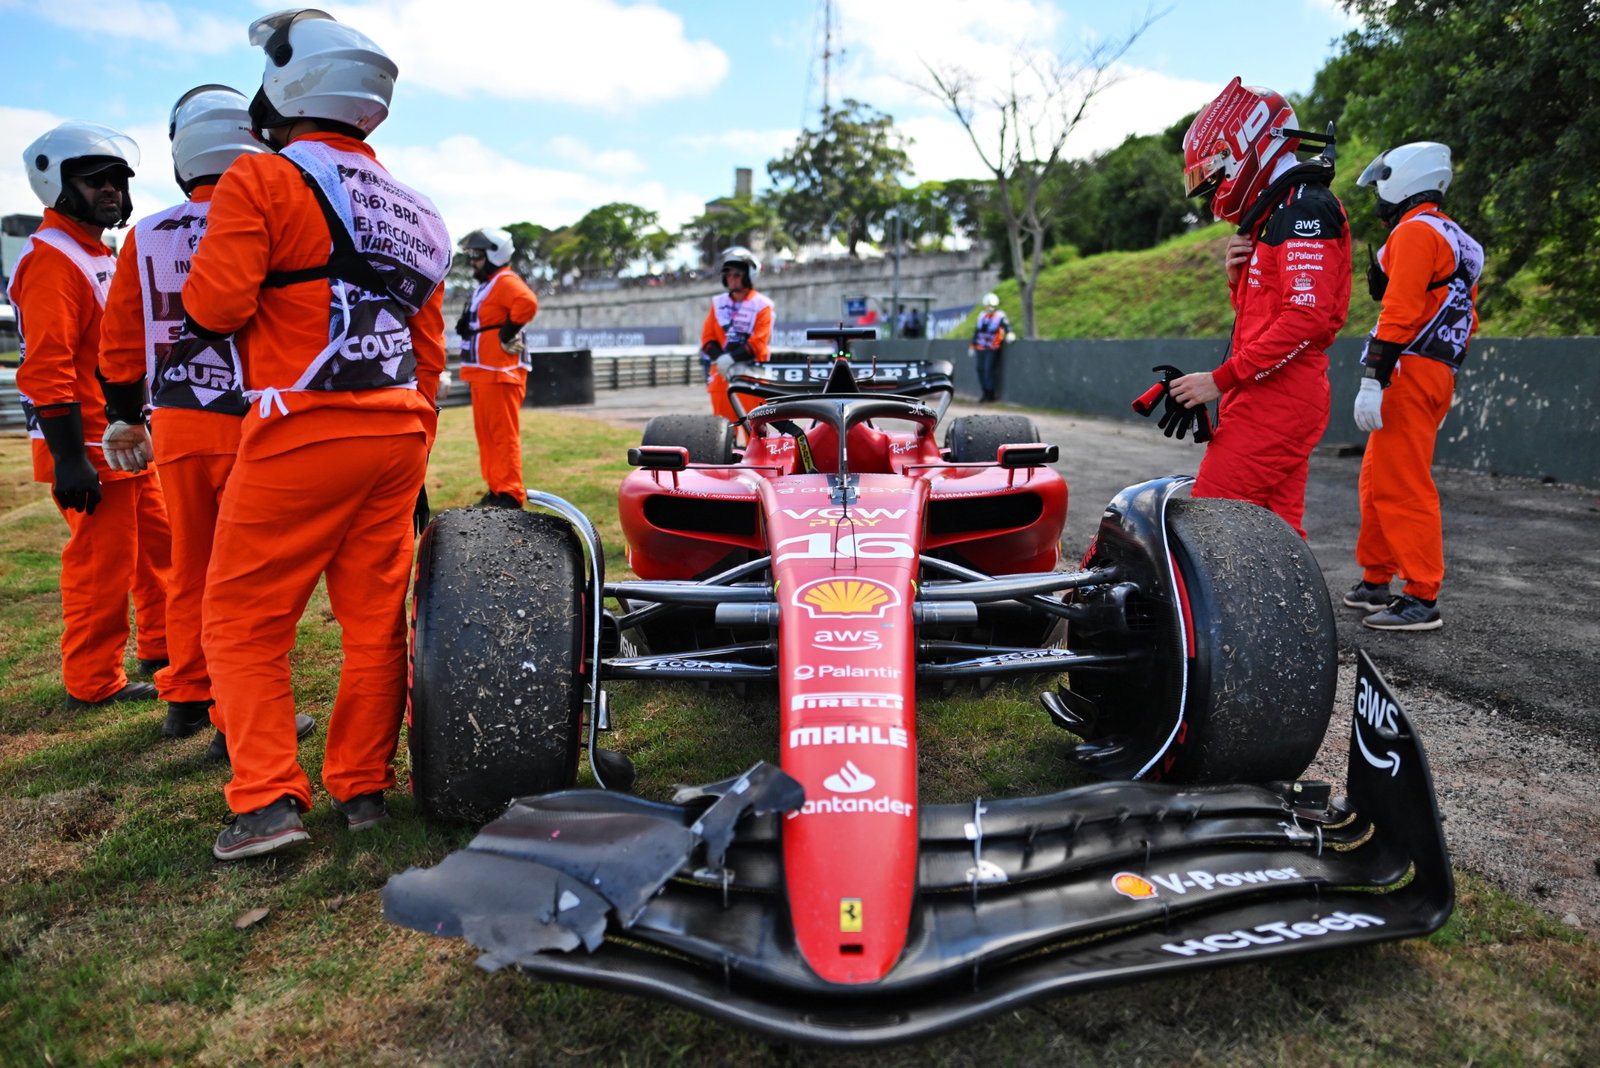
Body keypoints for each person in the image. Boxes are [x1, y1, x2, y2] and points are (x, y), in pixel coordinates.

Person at [181, 9, 451, 858]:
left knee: (242, 620)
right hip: (398, 429)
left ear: (288, 86)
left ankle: (266, 802)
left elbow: (215, 306)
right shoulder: (418, 209)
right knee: (374, 621)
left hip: (300, 425)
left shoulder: (260, 179)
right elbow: (430, 350)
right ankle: (363, 789)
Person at [97, 85, 315, 754]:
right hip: (255, 419)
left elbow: (120, 343)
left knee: (190, 564)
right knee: (252, 577)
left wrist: (124, 417)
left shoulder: (145, 233)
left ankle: (187, 693)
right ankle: (237, 713)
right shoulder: (272, 212)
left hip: (180, 421)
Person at [10, 120, 173, 710]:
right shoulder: (53, 260)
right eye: (93, 179)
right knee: (102, 566)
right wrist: (68, 457)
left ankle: (163, 646)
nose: (110, 189)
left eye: (117, 180)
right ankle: (93, 681)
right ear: (55, 185)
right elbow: (47, 364)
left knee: (161, 549)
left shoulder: (97, 252)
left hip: (125, 438)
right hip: (87, 445)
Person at [1167, 78, 1350, 538]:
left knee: (1212, 528)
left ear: (1244, 148)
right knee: (1275, 539)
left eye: (1214, 178)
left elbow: (1306, 320)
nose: (1214, 195)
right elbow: (1270, 317)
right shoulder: (1282, 209)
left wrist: (1220, 379)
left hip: (1277, 399)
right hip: (1273, 393)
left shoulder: (1304, 208)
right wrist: (1238, 280)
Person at [1343, 142, 1482, 632]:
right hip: (1434, 369)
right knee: (1377, 480)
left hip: (1409, 368)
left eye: (1381, 184)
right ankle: (1376, 579)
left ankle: (1422, 596)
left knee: (1402, 485)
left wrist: (1374, 377)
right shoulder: (1457, 238)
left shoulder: (1416, 232)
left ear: (1404, 179)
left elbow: (1399, 312)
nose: (1378, 195)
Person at [455, 226, 538, 508]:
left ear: (495, 254)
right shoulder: (488, 285)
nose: (473, 262)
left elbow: (526, 303)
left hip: (500, 372)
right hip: (483, 370)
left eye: (478, 256)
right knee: (487, 435)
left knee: (502, 435)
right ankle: (496, 487)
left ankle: (510, 494)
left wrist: (506, 333)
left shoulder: (505, 281)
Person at [700, 246, 772, 425]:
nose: (731, 278)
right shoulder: (717, 304)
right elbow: (707, 340)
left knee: (756, 429)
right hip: (722, 376)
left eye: (737, 275)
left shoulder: (762, 305)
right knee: (723, 430)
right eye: (728, 275)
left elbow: (758, 343)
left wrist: (731, 358)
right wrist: (721, 359)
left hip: (753, 378)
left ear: (749, 275)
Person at [968, 292, 1011, 402]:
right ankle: (985, 392)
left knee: (988, 369)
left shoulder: (1000, 316)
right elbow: (976, 332)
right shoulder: (981, 316)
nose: (990, 309)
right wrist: (972, 345)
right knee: (980, 369)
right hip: (980, 347)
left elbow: (1007, 327)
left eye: (992, 306)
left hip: (992, 347)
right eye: (988, 306)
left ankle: (991, 393)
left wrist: (1010, 333)